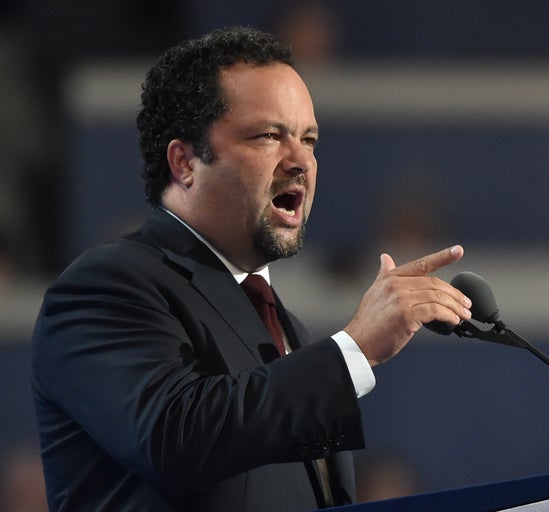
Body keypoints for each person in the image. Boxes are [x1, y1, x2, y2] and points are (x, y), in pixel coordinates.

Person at [30, 27, 472, 511]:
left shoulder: (290, 331)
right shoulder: (105, 288)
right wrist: (356, 349)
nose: (301, 160)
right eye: (268, 136)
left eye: (309, 139)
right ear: (184, 162)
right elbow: (173, 440)